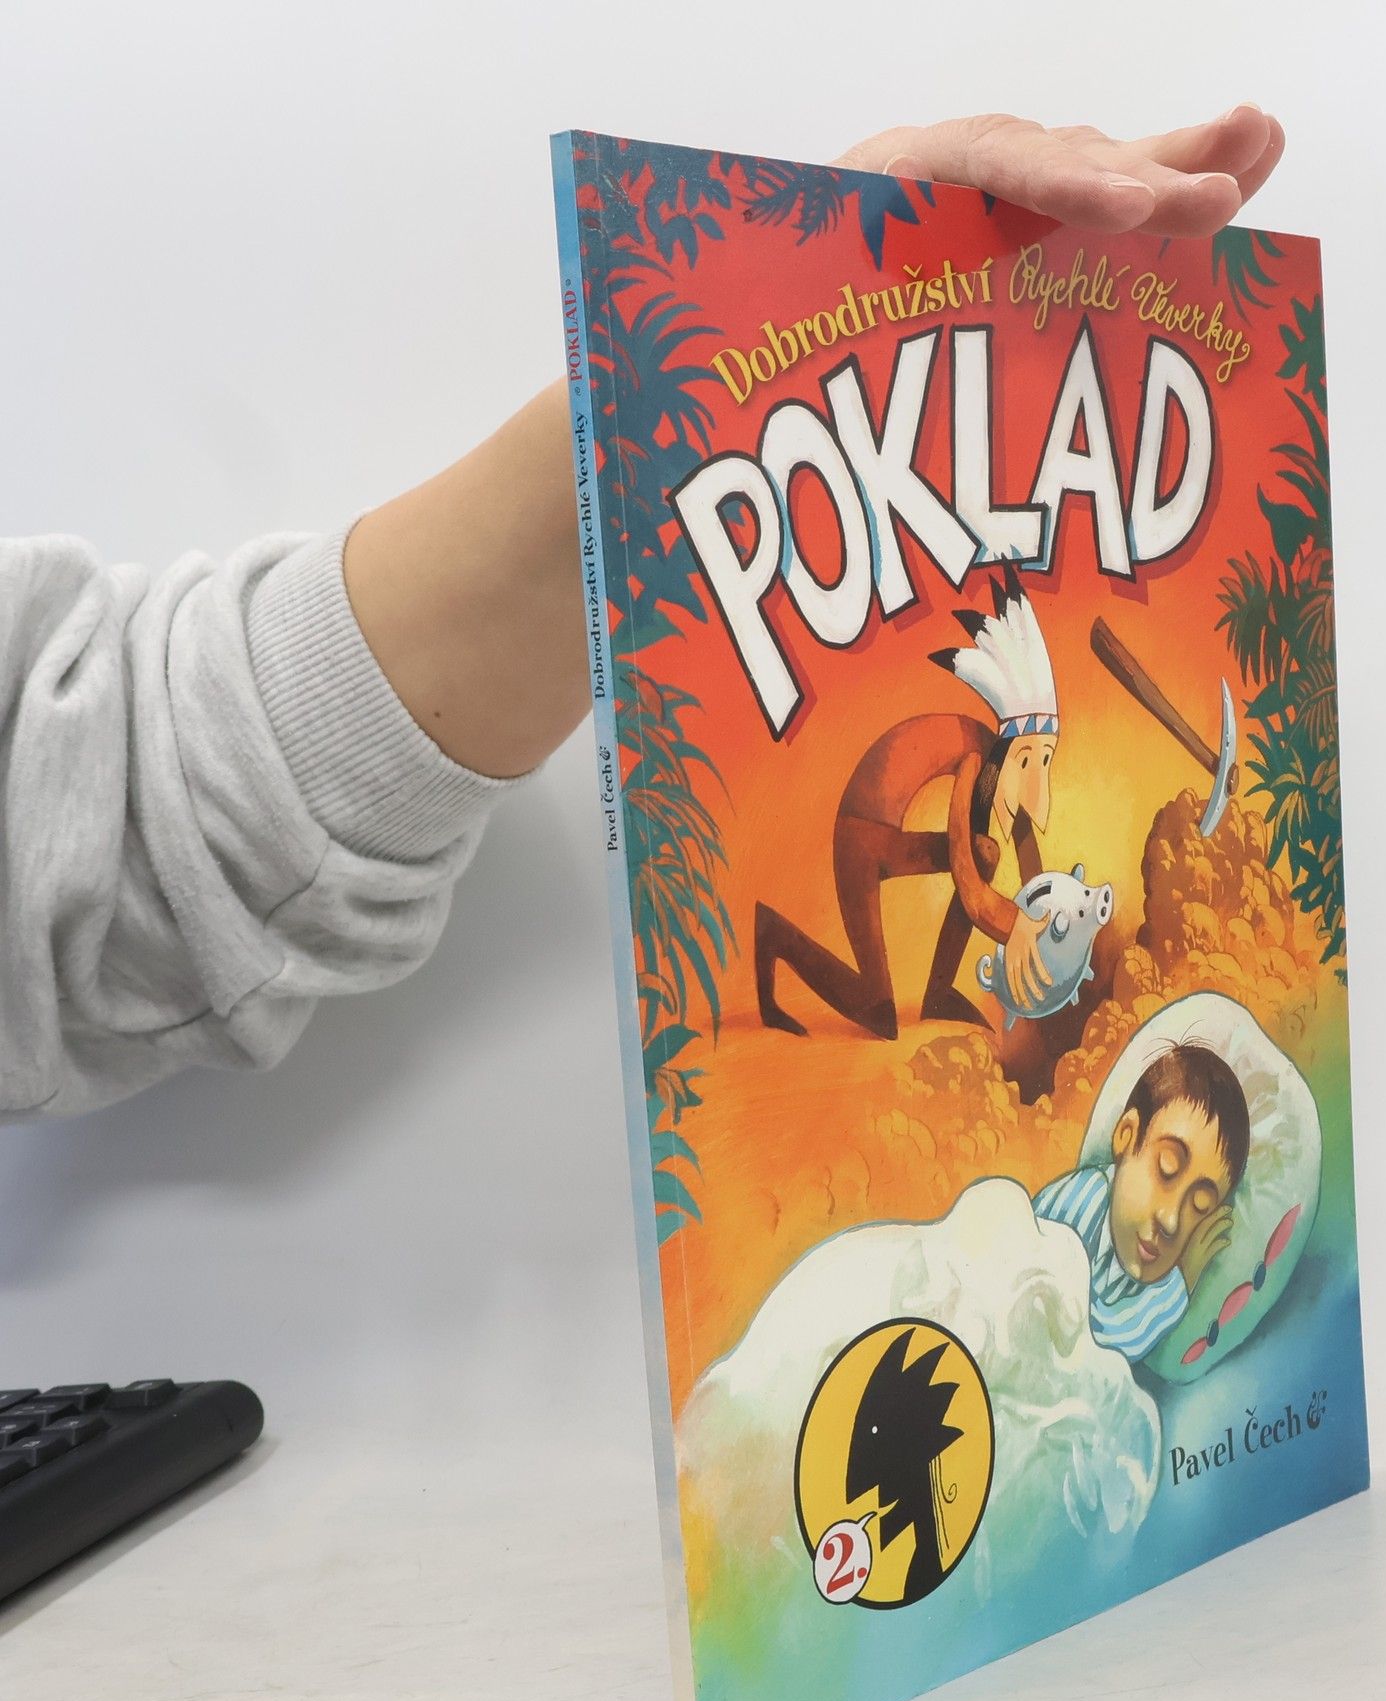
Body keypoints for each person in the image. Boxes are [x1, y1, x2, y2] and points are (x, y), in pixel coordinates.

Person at [0, 108, 1285, 1119]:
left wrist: (694, 406)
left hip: (912, 818)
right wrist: (1022, 925)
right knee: (888, 994)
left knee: (955, 989)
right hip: (873, 835)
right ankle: (800, 974)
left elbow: (102, 825)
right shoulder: (983, 779)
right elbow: (967, 870)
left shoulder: (1010, 784)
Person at [755, 568, 1065, 1038]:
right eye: (1028, 758)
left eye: (1045, 757)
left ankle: (938, 994)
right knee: (877, 1012)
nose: (1035, 776)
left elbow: (1029, 864)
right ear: (1010, 751)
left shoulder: (1001, 769)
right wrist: (1018, 926)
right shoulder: (976, 761)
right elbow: (969, 886)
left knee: (986, 850)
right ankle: (774, 934)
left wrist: (1053, 922)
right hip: (861, 841)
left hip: (890, 840)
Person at [1034, 1043, 1251, 1362]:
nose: (1171, 1220)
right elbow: (1087, 1344)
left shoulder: (1142, 1269)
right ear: (1127, 1135)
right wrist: (1178, 1287)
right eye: (1166, 1168)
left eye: (1200, 1204)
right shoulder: (1084, 1198)